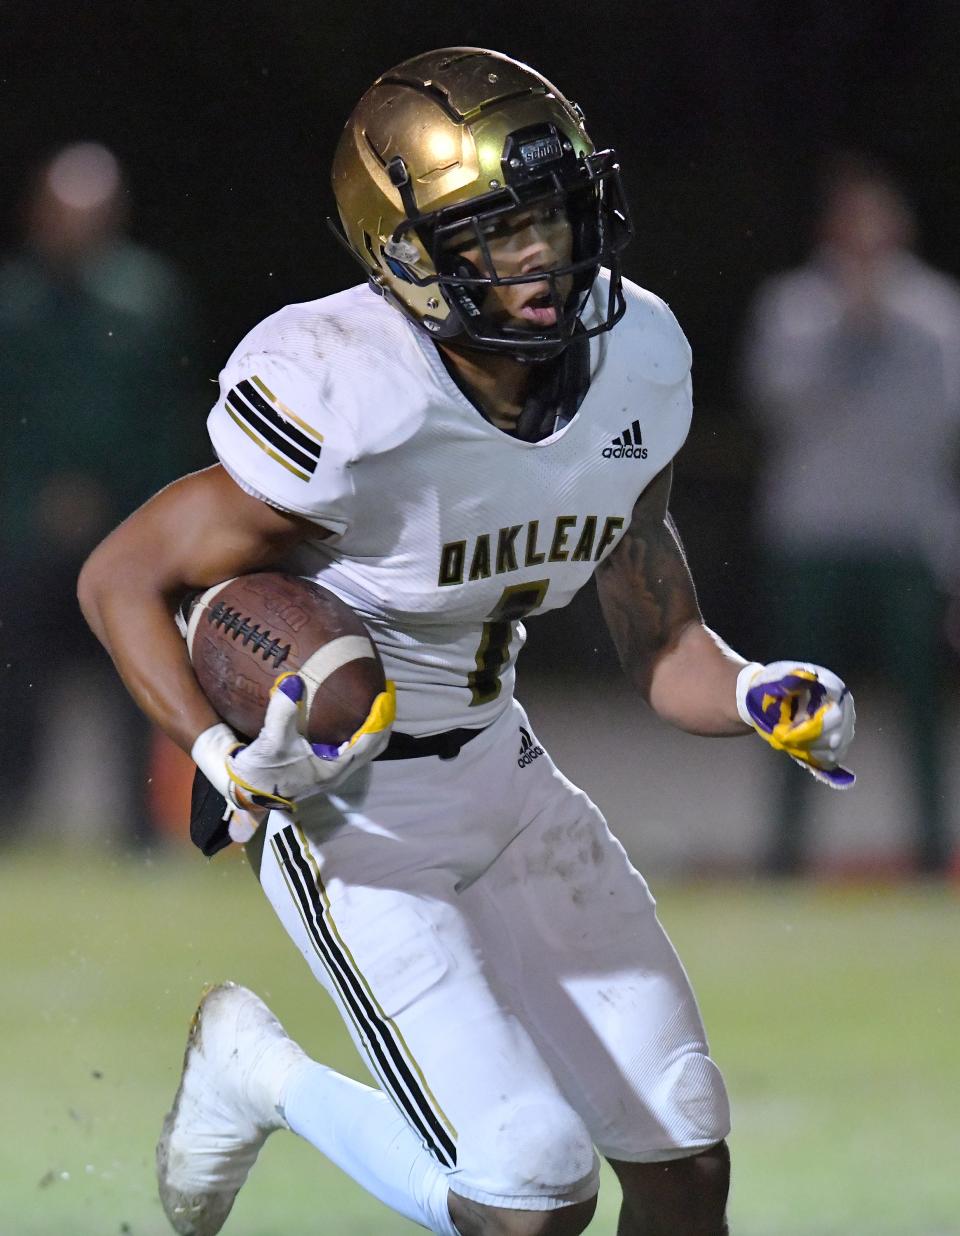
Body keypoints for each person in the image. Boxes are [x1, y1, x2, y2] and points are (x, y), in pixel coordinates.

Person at [78, 49, 856, 1236]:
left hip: (510, 777)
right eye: (495, 233)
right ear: (404, 252)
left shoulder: (635, 364)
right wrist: (212, 751)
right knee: (532, 1193)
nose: (541, 253)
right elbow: (121, 574)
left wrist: (757, 692)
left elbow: (667, 644)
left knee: (687, 1161)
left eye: (551, 213)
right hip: (353, 811)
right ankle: (262, 1075)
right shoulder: (355, 397)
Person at [742, 155, 960, 875]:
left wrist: (883, 325)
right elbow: (778, 402)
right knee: (798, 704)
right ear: (831, 232)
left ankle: (932, 851)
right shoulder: (794, 308)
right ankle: (785, 851)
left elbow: (940, 420)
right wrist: (850, 328)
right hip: (814, 537)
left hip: (904, 536)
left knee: (922, 708)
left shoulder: (934, 314)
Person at [0, 141, 198, 847]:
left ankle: (140, 829)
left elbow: (166, 418)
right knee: (16, 677)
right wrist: (37, 500)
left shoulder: (147, 299)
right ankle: (13, 819)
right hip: (26, 526)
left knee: (138, 674)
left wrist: (141, 515)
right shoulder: (13, 304)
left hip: (124, 523)